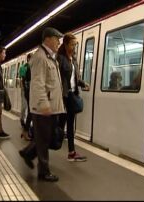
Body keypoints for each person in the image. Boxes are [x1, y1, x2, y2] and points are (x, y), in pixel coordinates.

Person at [19, 27, 65, 182]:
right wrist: (43, 104)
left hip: (51, 107)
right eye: (56, 39)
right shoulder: (40, 57)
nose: (59, 42)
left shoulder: (50, 57)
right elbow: (38, 84)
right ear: (48, 39)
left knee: (47, 137)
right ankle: (43, 172)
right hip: (44, 108)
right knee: (45, 140)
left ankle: (28, 152)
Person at [57, 33, 89, 162]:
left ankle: (71, 152)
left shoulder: (74, 59)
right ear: (65, 44)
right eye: (72, 44)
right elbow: (57, 78)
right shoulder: (60, 59)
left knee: (70, 125)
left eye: (75, 44)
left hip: (72, 95)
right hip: (63, 96)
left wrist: (83, 83)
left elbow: (76, 77)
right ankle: (35, 149)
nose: (74, 47)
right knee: (59, 125)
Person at [19, 53, 33, 141]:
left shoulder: (30, 67)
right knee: (31, 111)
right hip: (29, 92)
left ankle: (27, 131)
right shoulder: (26, 68)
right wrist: (25, 91)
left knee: (31, 112)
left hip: (30, 92)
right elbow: (24, 81)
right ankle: (26, 131)